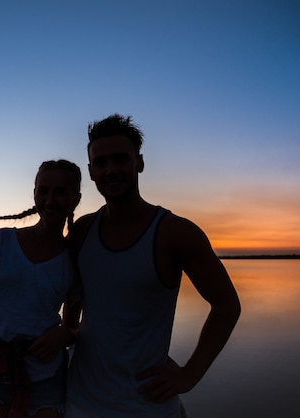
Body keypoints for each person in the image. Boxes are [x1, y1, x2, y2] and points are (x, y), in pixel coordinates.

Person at [61, 114, 241, 417]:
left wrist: (190, 375)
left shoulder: (175, 233)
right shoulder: (82, 231)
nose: (111, 170)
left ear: (139, 163)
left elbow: (227, 307)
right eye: (101, 163)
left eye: (121, 159)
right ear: (91, 171)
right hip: (80, 402)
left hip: (147, 405)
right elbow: (72, 296)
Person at [0, 159, 82, 418]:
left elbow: (72, 327)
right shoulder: (3, 241)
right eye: (43, 190)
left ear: (75, 199)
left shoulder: (75, 259)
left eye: (61, 192)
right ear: (34, 194)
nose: (50, 199)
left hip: (47, 375)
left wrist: (62, 335)